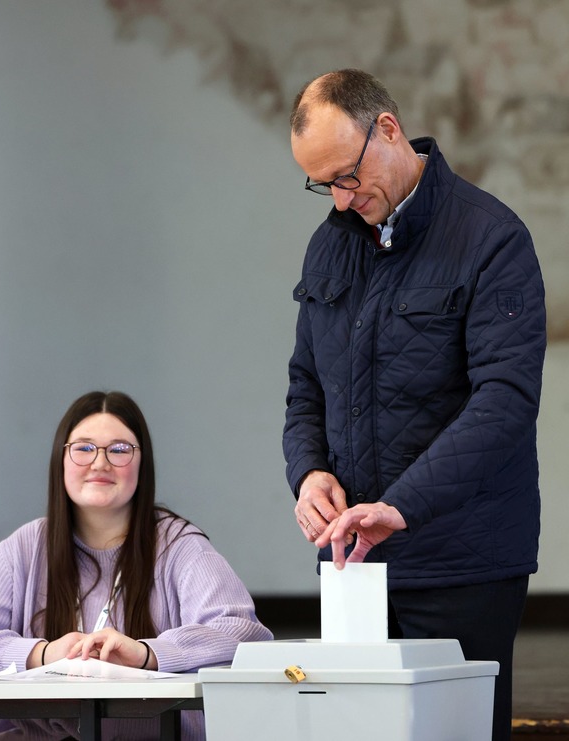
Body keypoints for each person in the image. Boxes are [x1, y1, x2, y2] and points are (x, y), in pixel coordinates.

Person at [283, 69, 546, 741]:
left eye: (346, 175)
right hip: (355, 571)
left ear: (389, 129)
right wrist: (307, 471)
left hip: (464, 562)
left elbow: (505, 400)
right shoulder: (330, 244)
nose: (342, 200)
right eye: (325, 184)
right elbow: (306, 385)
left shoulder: (491, 238)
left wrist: (403, 506)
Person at [0, 390, 272, 740]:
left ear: (143, 465)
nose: (99, 463)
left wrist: (147, 654)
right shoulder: (26, 545)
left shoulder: (179, 545)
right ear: (60, 461)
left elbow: (242, 632)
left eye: (119, 450)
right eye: (83, 448)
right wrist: (44, 653)